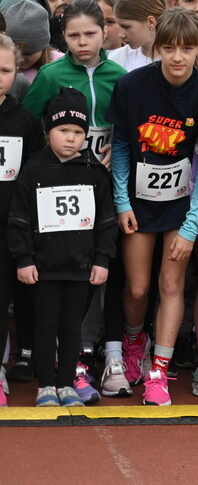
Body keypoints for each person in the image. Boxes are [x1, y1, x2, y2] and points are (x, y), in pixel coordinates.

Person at [107, 8, 198, 405]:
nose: (178, 57)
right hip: (138, 203)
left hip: (181, 205)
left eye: (187, 49)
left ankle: (159, 370)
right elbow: (121, 145)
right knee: (138, 288)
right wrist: (122, 201)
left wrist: (193, 224)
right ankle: (133, 344)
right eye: (170, 48)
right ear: (156, 48)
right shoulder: (132, 87)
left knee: (171, 285)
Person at [9, 87, 117, 407]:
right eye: (63, 130)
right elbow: (20, 217)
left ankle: (68, 383)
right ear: (48, 131)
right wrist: (24, 258)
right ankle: (46, 384)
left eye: (78, 132)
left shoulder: (94, 172)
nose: (71, 138)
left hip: (80, 266)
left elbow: (106, 221)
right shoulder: (33, 169)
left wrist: (102, 260)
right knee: (45, 324)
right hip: (43, 267)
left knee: (72, 327)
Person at [23, 0, 126, 166]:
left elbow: (128, 124)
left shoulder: (119, 75)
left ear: (104, 32)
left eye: (90, 34)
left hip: (105, 167)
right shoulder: (50, 75)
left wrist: (117, 148)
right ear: (64, 36)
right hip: (61, 167)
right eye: (74, 35)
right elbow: (28, 122)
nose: (82, 42)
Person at [0, 35, 45, 406]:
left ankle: (22, 358)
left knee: (17, 295)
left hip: (14, 225)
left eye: (4, 70)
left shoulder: (26, 121)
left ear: (16, 72)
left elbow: (33, 175)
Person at [111, 0, 166, 72]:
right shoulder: (117, 58)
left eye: (126, 27)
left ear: (151, 22)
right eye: (119, 26)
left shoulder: (178, 59)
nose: (120, 35)